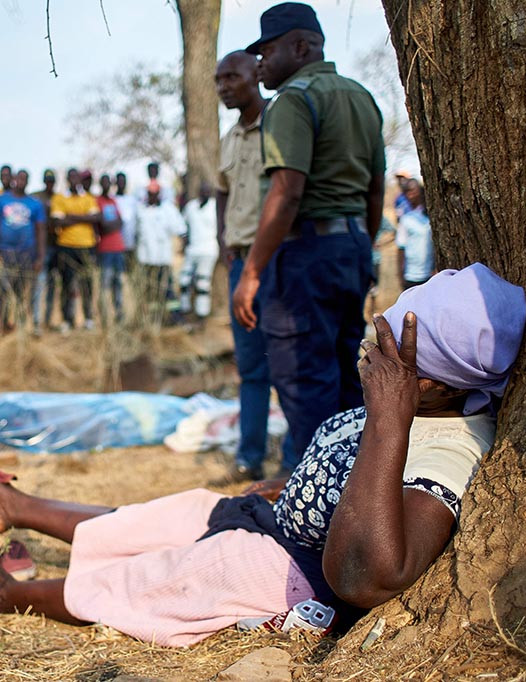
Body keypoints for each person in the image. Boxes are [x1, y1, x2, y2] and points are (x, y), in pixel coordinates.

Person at [0, 263, 526, 648]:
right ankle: (11, 505)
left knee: (159, 578)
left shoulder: (450, 449)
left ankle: (9, 594)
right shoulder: (420, 405)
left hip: (289, 571)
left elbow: (369, 576)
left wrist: (387, 416)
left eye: (384, 347)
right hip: (276, 522)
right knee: (176, 514)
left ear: (430, 386)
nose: (366, 347)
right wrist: (290, 486)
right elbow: (343, 473)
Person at [233, 2, 385, 460]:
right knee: (345, 379)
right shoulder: (361, 96)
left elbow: (286, 192)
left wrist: (252, 272)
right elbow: (375, 192)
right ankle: (352, 495)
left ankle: (312, 513)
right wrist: (361, 246)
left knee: (304, 381)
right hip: (351, 246)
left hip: (304, 258)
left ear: (301, 47)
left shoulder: (294, 100)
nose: (260, 63)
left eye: (268, 51)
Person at [213, 50, 288, 482]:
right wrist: (222, 239)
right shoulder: (228, 140)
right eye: (218, 80)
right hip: (241, 263)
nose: (223, 86)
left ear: (255, 76)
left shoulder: (279, 126)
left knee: (290, 363)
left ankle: (297, 460)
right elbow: (222, 191)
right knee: (252, 368)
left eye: (231, 77)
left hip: (278, 260)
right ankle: (250, 458)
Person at [0, 169, 46, 338]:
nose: (21, 181)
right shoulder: (1, 200)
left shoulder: (34, 203)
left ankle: (20, 329)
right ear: (14, 180)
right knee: (3, 292)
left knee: (21, 293)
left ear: (28, 182)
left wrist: (40, 256)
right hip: (5, 253)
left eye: (25, 179)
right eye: (19, 178)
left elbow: (41, 231)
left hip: (26, 254)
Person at [50, 168, 100, 332]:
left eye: (76, 177)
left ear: (79, 179)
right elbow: (58, 222)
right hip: (66, 247)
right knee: (66, 284)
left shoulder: (88, 198)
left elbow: (95, 218)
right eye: (70, 177)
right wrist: (83, 218)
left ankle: (88, 319)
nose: (74, 180)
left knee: (87, 284)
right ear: (67, 179)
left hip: (86, 246)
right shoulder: (59, 198)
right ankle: (67, 319)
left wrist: (71, 216)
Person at [135, 181, 186, 324]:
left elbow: (181, 230)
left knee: (167, 289)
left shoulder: (168, 209)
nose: (152, 195)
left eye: (155, 193)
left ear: (159, 193)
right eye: (150, 193)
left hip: (163, 258)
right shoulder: (141, 210)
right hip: (145, 259)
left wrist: (183, 247)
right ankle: (154, 320)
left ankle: (175, 318)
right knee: (150, 291)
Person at [178, 181, 219, 326]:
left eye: (208, 191)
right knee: (184, 281)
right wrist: (184, 242)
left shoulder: (215, 206)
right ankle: (185, 311)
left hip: (208, 250)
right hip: (192, 250)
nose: (205, 193)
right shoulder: (191, 207)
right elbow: (182, 226)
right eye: (203, 191)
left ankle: (202, 317)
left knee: (202, 283)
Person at [95, 173, 126, 325]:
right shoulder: (97, 201)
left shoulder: (113, 201)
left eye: (109, 182)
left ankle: (119, 314)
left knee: (118, 282)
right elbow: (104, 226)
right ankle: (104, 316)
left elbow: (120, 222)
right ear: (101, 184)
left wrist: (110, 224)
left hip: (118, 248)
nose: (107, 184)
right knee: (105, 283)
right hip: (105, 249)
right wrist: (111, 224)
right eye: (104, 182)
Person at [32, 169, 59, 332]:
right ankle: (36, 321)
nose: (49, 183)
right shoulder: (35, 197)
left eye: (52, 180)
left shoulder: (59, 198)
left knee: (52, 285)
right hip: (40, 247)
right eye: (47, 180)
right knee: (39, 285)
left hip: (57, 246)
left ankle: (48, 320)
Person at [396, 179, 434, 289]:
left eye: (412, 191)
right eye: (407, 192)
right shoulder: (406, 219)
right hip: (411, 276)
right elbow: (400, 248)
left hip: (429, 275)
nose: (410, 195)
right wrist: (400, 276)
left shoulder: (429, 217)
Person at [113, 172, 139, 273]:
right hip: (115, 245)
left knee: (130, 271)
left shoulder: (132, 200)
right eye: (119, 181)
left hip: (130, 244)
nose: (121, 184)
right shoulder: (112, 199)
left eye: (123, 181)